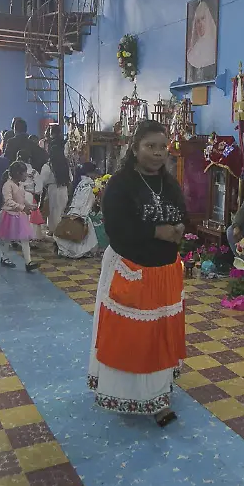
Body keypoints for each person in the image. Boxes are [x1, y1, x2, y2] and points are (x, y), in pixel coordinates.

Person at [88, 120, 187, 427]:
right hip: (130, 268)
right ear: (134, 148)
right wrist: (158, 232)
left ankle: (158, 397)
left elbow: (183, 215)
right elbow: (117, 230)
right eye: (150, 146)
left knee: (159, 335)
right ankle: (127, 394)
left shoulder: (169, 184)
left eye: (162, 147)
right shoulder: (121, 184)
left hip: (164, 274)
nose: (158, 153)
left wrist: (181, 229)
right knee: (132, 336)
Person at [0, 162, 37, 271]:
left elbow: (21, 198)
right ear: (18, 174)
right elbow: (8, 201)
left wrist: (29, 205)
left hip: (19, 215)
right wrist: (22, 208)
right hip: (9, 215)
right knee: (7, 238)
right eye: (24, 173)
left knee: (24, 238)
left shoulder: (20, 184)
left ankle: (28, 262)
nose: (26, 176)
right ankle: (4, 257)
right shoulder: (8, 185)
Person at [54, 162, 99, 259]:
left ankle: (67, 251)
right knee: (81, 233)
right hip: (81, 213)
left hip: (73, 211)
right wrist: (84, 216)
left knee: (71, 232)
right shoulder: (88, 186)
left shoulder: (80, 183)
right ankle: (78, 252)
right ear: (90, 173)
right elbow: (86, 203)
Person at [38, 125, 73, 235]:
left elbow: (41, 181)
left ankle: (55, 232)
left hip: (52, 190)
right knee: (60, 212)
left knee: (54, 213)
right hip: (63, 189)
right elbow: (71, 178)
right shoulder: (65, 164)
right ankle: (59, 231)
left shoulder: (48, 166)